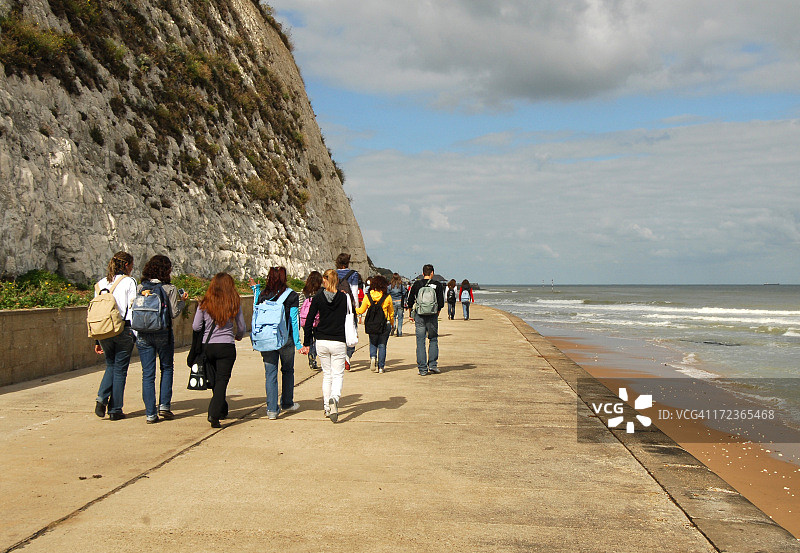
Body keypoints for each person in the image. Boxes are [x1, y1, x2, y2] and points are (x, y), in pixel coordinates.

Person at [136, 255, 187, 423]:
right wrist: (182, 302)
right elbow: (173, 313)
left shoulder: (140, 287)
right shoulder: (169, 289)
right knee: (166, 368)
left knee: (147, 374)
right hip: (163, 333)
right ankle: (164, 405)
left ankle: (150, 413)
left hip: (143, 334)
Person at [192, 273, 244, 428]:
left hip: (208, 346)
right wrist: (238, 336)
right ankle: (214, 413)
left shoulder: (204, 304)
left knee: (215, 380)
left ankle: (222, 408)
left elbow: (196, 326)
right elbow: (241, 327)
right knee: (222, 380)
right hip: (226, 346)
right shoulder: (234, 302)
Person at [252, 267, 301, 420]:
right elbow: (294, 320)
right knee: (287, 371)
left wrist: (256, 290)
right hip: (285, 340)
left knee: (270, 374)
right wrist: (298, 343)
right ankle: (287, 403)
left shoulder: (263, 294)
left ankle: (272, 410)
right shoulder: (291, 295)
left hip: (267, 339)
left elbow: (256, 311)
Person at [93, 251, 137, 420]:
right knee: (120, 370)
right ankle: (115, 409)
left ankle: (102, 399)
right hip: (122, 329)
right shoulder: (128, 281)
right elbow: (132, 307)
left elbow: (97, 313)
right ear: (126, 265)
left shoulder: (100, 284)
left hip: (103, 331)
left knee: (111, 365)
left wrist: (97, 339)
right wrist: (135, 332)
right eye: (131, 265)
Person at [301, 269, 348, 422]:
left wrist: (307, 343)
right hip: (338, 340)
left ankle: (327, 407)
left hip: (321, 340)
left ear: (324, 280)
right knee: (338, 374)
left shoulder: (318, 297)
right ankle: (334, 398)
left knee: (327, 375)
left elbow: (309, 321)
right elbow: (348, 318)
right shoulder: (343, 297)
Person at [407, 264, 445, 376]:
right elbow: (441, 302)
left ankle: (422, 369)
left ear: (423, 273)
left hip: (419, 314)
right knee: (433, 339)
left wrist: (411, 313)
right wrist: (437, 313)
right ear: (432, 273)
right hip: (432, 315)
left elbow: (410, 301)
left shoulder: (417, 284)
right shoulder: (437, 285)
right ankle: (433, 365)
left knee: (420, 341)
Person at [355, 275, 394, 373]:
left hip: (372, 324)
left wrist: (351, 309)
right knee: (382, 345)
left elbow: (361, 310)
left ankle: (373, 357)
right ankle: (381, 367)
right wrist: (392, 323)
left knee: (373, 342)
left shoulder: (368, 296)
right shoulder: (387, 297)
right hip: (385, 323)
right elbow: (391, 313)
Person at [336, 253, 361, 371]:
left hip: (336, 305)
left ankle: (340, 355)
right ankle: (347, 354)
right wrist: (356, 307)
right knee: (351, 329)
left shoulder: (333, 273)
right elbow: (354, 291)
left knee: (339, 330)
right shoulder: (353, 274)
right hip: (348, 306)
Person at [300, 271, 323, 371]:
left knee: (308, 339)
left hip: (305, 320)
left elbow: (299, 306)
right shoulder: (321, 292)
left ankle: (310, 356)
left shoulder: (304, 291)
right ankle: (313, 355)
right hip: (318, 320)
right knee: (317, 340)